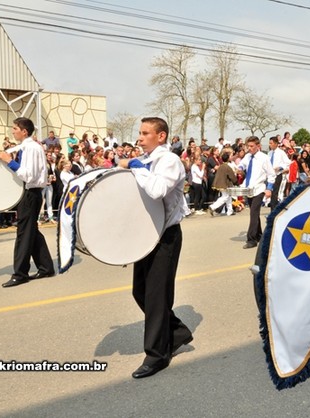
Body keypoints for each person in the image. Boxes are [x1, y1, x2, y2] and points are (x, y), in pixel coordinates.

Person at [117, 116, 193, 379]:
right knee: (140, 291)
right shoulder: (146, 160)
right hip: (145, 236)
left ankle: (157, 355)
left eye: (145, 133)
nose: (139, 138)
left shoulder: (169, 161)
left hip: (165, 236)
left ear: (161, 136)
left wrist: (135, 165)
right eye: (139, 133)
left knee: (157, 296)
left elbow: (157, 190)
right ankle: (177, 332)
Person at [0, 117, 55, 288]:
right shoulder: (26, 147)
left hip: (30, 193)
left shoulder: (31, 148)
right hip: (30, 193)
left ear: (24, 131)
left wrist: (9, 161)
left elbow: (28, 175)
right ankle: (46, 267)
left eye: (15, 128)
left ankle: (20, 274)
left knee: (24, 233)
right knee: (32, 231)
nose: (12, 131)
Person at [238, 136, 275, 249]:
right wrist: (240, 168)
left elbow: (271, 174)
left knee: (253, 212)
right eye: (248, 146)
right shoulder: (248, 156)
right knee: (254, 213)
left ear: (258, 146)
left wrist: (269, 188)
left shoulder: (264, 158)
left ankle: (251, 239)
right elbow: (242, 164)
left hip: (259, 189)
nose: (249, 148)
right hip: (249, 188)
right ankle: (259, 234)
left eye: (251, 146)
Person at [208, 152, 237, 216]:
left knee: (228, 196)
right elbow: (232, 176)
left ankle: (230, 211)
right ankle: (213, 207)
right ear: (228, 158)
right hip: (225, 184)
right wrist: (236, 182)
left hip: (221, 183)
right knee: (225, 197)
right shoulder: (227, 167)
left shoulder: (221, 166)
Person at [267, 136, 290, 209]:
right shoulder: (269, 153)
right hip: (270, 175)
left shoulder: (281, 153)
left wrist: (280, 167)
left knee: (275, 192)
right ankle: (274, 205)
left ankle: (273, 209)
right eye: (269, 143)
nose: (270, 145)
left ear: (276, 143)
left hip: (277, 174)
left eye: (271, 143)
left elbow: (287, 162)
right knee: (270, 191)